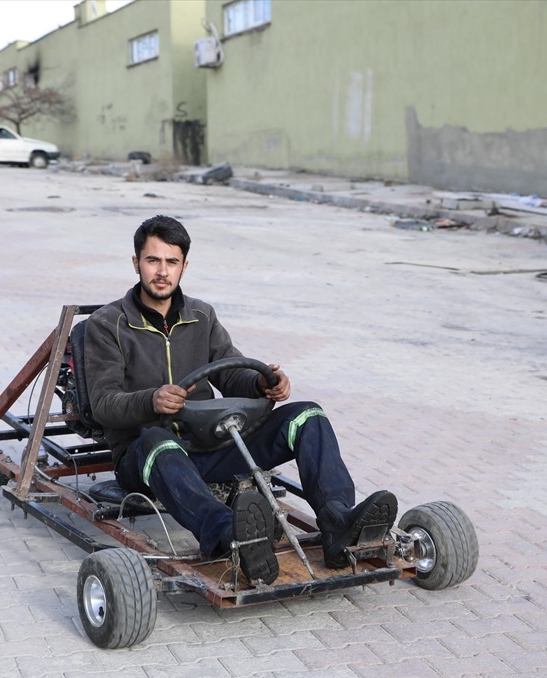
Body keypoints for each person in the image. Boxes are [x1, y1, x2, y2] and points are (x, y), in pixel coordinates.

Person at [83, 215, 397, 585]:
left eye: (171, 262)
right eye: (153, 261)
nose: (162, 272)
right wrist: (152, 401)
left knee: (307, 415)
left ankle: (338, 523)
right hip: (146, 458)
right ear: (136, 263)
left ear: (185, 265)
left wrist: (264, 384)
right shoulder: (107, 325)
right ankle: (229, 533)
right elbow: (103, 402)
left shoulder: (201, 316)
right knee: (157, 438)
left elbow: (230, 372)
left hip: (209, 444)